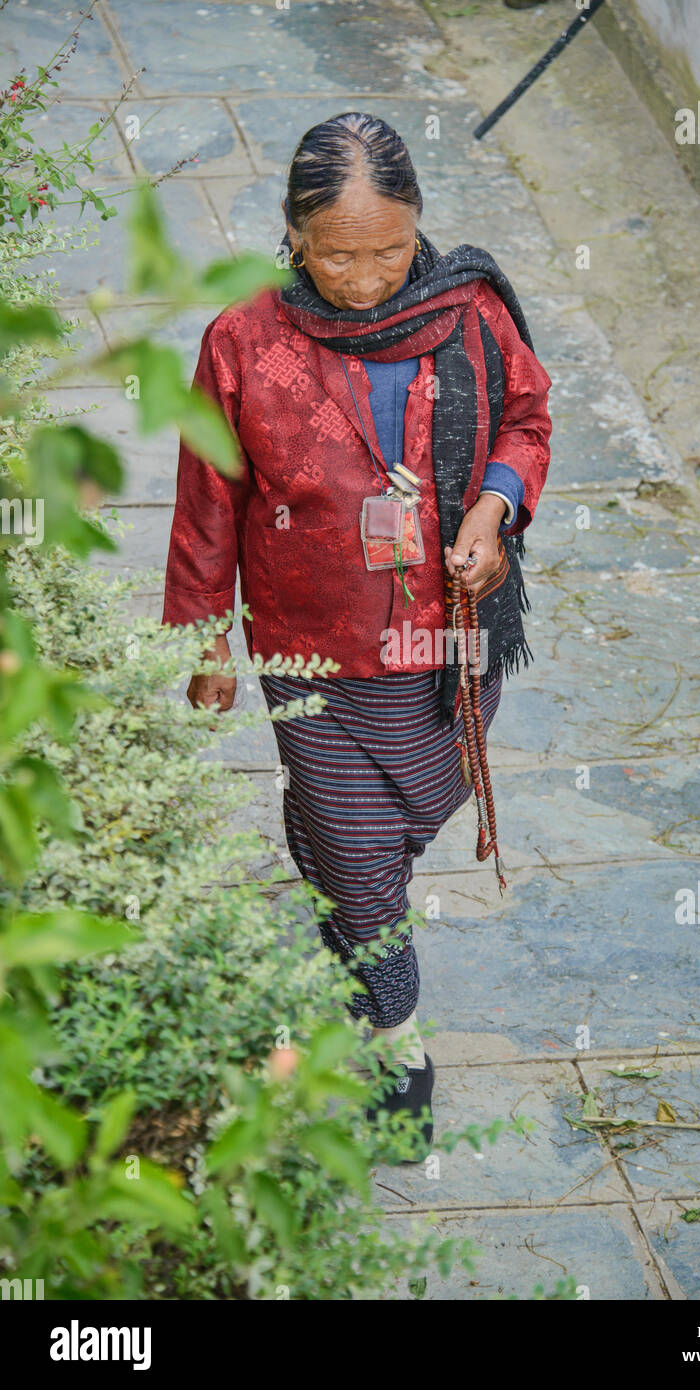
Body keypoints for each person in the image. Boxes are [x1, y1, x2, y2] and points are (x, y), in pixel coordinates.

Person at [161, 112, 552, 1154]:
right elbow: (209, 499)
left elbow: (526, 420)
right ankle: (397, 1043)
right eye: (338, 253)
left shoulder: (469, 315)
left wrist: (494, 510)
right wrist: (206, 642)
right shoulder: (243, 342)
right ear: (293, 236)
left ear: (419, 225)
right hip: (314, 652)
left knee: (421, 807)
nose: (369, 276)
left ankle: (345, 907)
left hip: (447, 643)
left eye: (390, 248)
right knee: (363, 865)